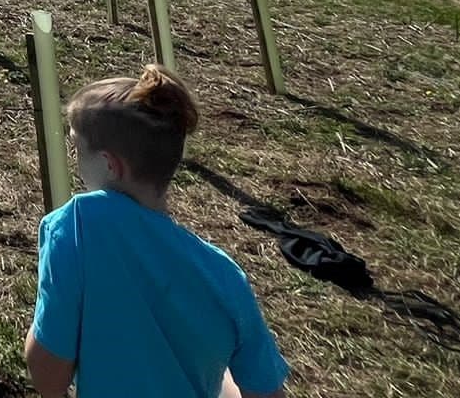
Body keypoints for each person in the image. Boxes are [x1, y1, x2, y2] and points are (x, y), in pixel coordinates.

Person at [24, 65, 288, 398]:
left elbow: (49, 377)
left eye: (77, 148)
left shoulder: (75, 226)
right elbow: (266, 392)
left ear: (110, 164)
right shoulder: (225, 275)